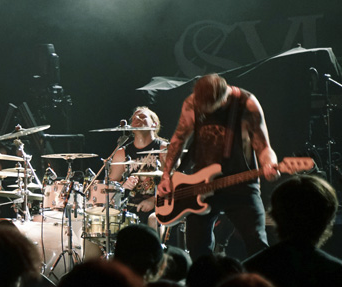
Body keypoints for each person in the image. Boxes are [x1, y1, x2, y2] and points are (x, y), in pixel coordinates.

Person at [157, 73, 279, 260]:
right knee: (197, 246)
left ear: (224, 97)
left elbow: (264, 147)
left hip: (240, 182)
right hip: (201, 184)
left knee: (257, 242)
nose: (204, 111)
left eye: (210, 108)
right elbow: (179, 139)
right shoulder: (192, 103)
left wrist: (269, 164)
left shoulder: (246, 103)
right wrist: (167, 175)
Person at [108, 106, 168, 229]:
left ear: (154, 124)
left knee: (153, 219)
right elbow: (111, 185)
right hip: (129, 207)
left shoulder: (164, 150)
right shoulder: (121, 153)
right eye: (134, 117)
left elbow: (176, 183)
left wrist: (154, 200)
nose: (137, 118)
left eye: (142, 116)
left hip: (160, 205)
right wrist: (123, 185)